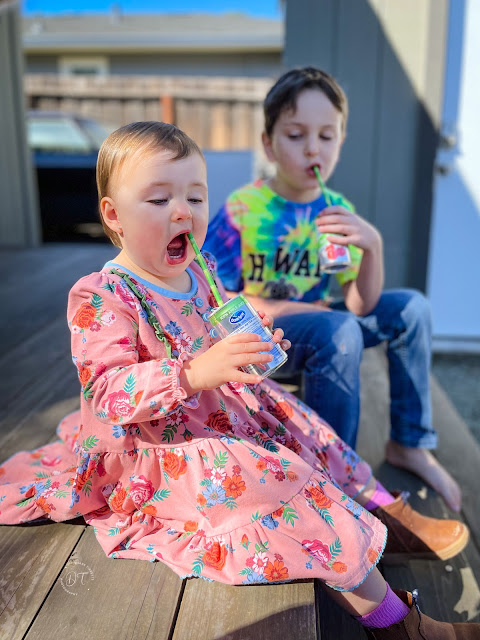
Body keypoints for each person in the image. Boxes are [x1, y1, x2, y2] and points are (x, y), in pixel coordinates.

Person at [0, 121, 476, 639]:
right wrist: (194, 373)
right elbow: (107, 392)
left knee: (307, 427)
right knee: (282, 482)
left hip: (221, 412)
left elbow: (216, 328)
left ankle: (381, 510)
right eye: (159, 200)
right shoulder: (103, 295)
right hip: (161, 448)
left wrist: (250, 344)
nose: (183, 212)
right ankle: (399, 624)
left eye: (195, 197)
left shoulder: (199, 271)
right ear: (114, 215)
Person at [204, 66, 462, 514]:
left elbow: (362, 304)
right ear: (269, 144)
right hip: (267, 336)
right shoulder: (244, 208)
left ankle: (409, 443)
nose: (313, 148)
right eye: (296, 135)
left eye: (327, 136)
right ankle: (334, 475)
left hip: (328, 328)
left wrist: (373, 246)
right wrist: (304, 311)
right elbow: (216, 297)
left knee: (411, 309)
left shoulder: (336, 211)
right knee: (339, 329)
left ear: (340, 142)